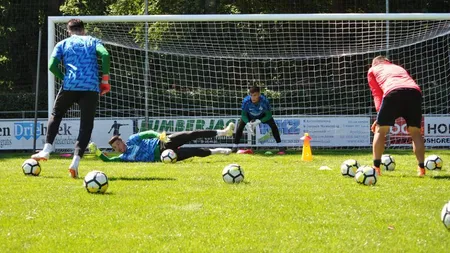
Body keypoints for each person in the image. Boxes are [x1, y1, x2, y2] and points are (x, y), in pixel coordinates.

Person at [31, 19, 111, 178]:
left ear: (69, 31)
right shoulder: (92, 41)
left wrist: (64, 78)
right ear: (83, 29)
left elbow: (52, 66)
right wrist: (104, 80)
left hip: (69, 86)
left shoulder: (62, 43)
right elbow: (105, 55)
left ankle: (47, 149)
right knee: (86, 125)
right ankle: (75, 162)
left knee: (56, 114)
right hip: (90, 88)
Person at [367, 56, 425, 177]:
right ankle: (421, 169)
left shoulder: (373, 70)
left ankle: (376, 167)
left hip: (393, 92)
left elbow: (377, 94)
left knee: (380, 130)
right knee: (415, 132)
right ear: (387, 61)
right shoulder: (398, 67)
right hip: (414, 93)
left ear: (375, 63)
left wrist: (379, 119)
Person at [88, 122, 235, 162]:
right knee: (194, 152)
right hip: (163, 157)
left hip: (163, 143)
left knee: (192, 134)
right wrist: (97, 152)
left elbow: (148, 133)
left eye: (117, 145)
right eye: (114, 148)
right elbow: (108, 161)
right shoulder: (124, 158)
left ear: (121, 140)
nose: (117, 149)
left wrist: (160, 136)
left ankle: (224, 132)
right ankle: (220, 151)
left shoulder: (133, 139)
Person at [232, 86, 285, 154]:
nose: (253, 97)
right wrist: (248, 123)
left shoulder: (264, 101)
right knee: (240, 126)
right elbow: (243, 115)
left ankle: (281, 147)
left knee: (273, 126)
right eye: (251, 95)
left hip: (261, 116)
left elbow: (268, 115)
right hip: (250, 116)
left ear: (259, 94)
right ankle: (234, 147)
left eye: (255, 95)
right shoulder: (246, 101)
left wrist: (259, 121)